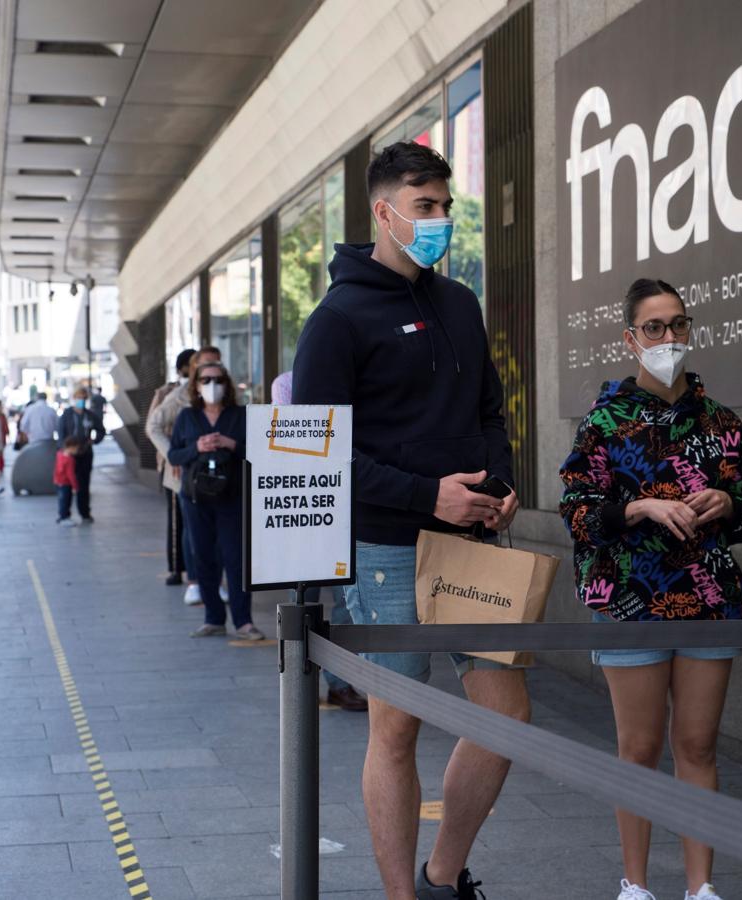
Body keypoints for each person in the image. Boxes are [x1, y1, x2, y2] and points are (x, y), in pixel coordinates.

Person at [293, 141, 523, 900]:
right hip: (390, 550)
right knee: (396, 729)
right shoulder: (337, 320)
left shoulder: (458, 302)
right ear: (383, 212)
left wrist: (502, 481)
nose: (439, 222)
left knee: (505, 718)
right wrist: (431, 497)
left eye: (446, 208)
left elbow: (490, 409)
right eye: (424, 208)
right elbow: (320, 458)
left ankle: (440, 875)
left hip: (475, 544)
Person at [559, 279, 742, 900]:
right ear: (631, 339)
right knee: (640, 746)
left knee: (697, 744)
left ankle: (701, 887)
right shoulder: (603, 423)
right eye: (654, 327)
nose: (669, 338)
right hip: (629, 602)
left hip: (710, 601)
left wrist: (728, 501)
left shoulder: (721, 422)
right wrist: (640, 507)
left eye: (678, 324)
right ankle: (636, 885)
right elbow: (577, 512)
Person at [271, 370, 368, 712]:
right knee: (302, 603)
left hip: (346, 514)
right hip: (307, 513)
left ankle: (340, 684)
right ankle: (298, 680)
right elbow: (296, 443)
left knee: (345, 604)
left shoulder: (359, 381)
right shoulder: (286, 383)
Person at [167, 362, 262, 641]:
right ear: (196, 385)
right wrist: (197, 447)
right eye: (206, 380)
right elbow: (173, 456)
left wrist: (231, 444)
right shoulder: (187, 417)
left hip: (232, 497)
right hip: (196, 498)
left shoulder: (240, 415)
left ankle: (244, 621)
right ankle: (213, 618)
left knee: (236, 559)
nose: (212, 385)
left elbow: (258, 451)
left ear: (227, 384)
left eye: (218, 379)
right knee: (203, 557)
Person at [149, 346, 224, 606]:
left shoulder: (227, 398)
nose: (212, 370)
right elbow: (153, 425)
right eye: (206, 365)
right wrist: (173, 454)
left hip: (220, 477)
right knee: (191, 530)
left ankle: (214, 583)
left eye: (216, 363)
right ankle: (194, 582)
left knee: (217, 533)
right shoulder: (179, 397)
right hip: (186, 474)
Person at [147, 349, 197, 592]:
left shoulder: (210, 392)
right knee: (177, 520)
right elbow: (152, 426)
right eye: (193, 364)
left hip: (199, 468)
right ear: (183, 368)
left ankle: (197, 572)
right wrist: (172, 455)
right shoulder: (169, 394)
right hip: (174, 466)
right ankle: (177, 568)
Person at [57, 385, 105, 523]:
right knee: (66, 485)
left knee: (83, 485)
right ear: (74, 398)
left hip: (85, 453)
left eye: (83, 398)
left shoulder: (90, 415)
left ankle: (84, 512)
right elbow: (60, 433)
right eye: (79, 398)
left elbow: (101, 430)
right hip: (69, 455)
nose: (81, 401)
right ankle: (64, 514)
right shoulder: (67, 415)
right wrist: (63, 450)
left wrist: (94, 440)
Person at [54, 435, 84, 526]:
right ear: (71, 447)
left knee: (61, 500)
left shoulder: (59, 454)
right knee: (66, 501)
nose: (77, 451)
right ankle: (65, 518)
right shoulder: (69, 459)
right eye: (76, 449)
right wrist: (75, 486)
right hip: (66, 483)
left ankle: (62, 516)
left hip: (59, 482)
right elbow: (71, 474)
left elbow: (57, 469)